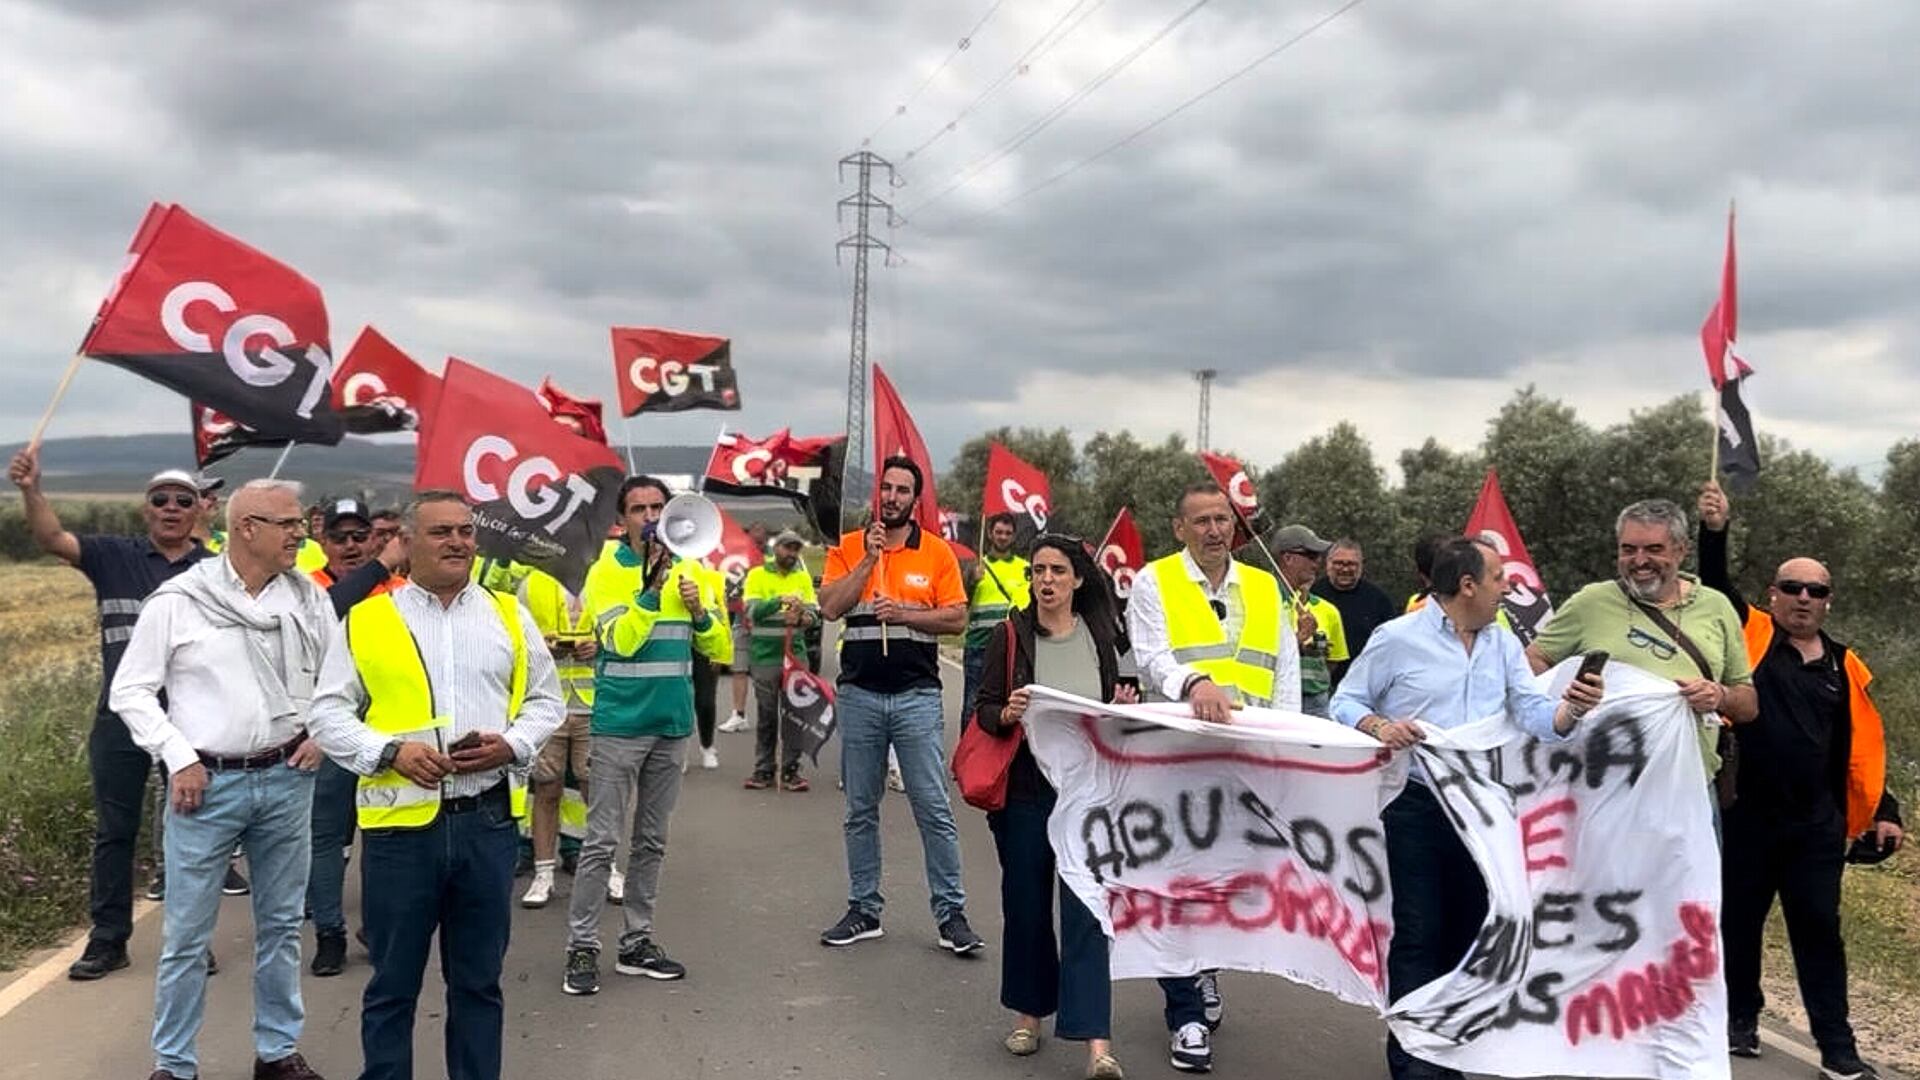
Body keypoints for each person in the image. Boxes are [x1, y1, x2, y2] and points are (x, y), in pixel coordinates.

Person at [304, 490, 565, 1080]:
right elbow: (326, 714)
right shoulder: (369, 617)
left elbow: (547, 701)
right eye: (441, 531)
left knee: (478, 984)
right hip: (401, 832)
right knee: (392, 986)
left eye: (465, 531)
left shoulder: (506, 613)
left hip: (487, 826)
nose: (457, 542)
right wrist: (389, 751)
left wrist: (513, 744)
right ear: (407, 544)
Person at [1331, 537, 1604, 1080]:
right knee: (1418, 932)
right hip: (1416, 805)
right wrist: (1381, 726)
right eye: (1500, 578)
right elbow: (1346, 700)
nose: (1509, 587)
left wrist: (1571, 709)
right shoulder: (1396, 638)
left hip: (1483, 810)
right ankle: (1412, 1063)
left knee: (1470, 933)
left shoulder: (1503, 644)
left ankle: (1445, 1052)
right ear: (1467, 586)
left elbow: (1531, 712)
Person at [109, 478, 338, 1080]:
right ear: (247, 528)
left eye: (300, 523)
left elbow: (339, 679)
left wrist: (321, 732)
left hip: (288, 778)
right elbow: (130, 691)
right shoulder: (179, 601)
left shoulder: (308, 599)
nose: (300, 535)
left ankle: (277, 1052)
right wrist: (177, 756)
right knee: (187, 935)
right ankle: (174, 1065)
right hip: (205, 786)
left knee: (284, 926)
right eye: (288, 525)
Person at [1698, 482, 1903, 1080]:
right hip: (1748, 819)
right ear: (1773, 595)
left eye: (1816, 590)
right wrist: (1715, 531)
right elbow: (1714, 585)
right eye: (1792, 587)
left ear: (1829, 601)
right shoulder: (1752, 636)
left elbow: (1863, 748)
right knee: (1737, 923)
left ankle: (1838, 1051)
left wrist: (1884, 808)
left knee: (1819, 934)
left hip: (1816, 826)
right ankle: (1740, 1019)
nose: (1804, 598)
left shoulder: (1846, 664)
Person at [7, 449, 212, 980]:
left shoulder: (215, 572)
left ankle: (190, 940)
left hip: (190, 722)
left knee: (190, 832)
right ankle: (107, 941)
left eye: (182, 500)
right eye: (159, 499)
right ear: (146, 510)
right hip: (119, 717)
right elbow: (52, 538)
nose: (170, 508)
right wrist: (31, 489)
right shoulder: (110, 555)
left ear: (198, 511)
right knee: (114, 832)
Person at [1127, 482, 1302, 1073]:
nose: (1213, 530)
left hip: (1245, 764)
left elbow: (1285, 674)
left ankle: (1205, 967)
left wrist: (1289, 745)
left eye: (1222, 519)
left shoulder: (1262, 586)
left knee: (1225, 882)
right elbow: (1151, 654)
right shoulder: (1155, 581)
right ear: (1179, 528)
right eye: (1200, 521)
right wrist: (1192, 684)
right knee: (1175, 885)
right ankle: (1187, 1018)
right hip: (1174, 762)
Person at [562, 476, 731, 995]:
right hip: (618, 725)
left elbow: (720, 648)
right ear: (623, 519)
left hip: (671, 724)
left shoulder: (696, 569)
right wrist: (652, 594)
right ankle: (582, 947)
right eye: (640, 509)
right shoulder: (606, 573)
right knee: (601, 841)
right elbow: (621, 641)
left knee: (652, 841)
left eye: (659, 506)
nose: (651, 517)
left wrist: (700, 612)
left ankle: (637, 941)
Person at [973, 535, 1133, 1080]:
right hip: (1026, 793)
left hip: (1088, 795)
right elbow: (984, 709)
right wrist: (1008, 713)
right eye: (1038, 571)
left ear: (1078, 579)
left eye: (1057, 571)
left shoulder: (1101, 638)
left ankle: (1097, 1045)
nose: (1046, 580)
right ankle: (1029, 1015)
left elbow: (1114, 707)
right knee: (1026, 908)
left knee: (1088, 914)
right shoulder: (1010, 636)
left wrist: (1122, 709)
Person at [815, 456, 983, 955]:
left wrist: (907, 612)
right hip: (860, 695)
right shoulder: (848, 548)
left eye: (901, 490)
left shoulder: (935, 554)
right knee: (860, 809)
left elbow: (956, 618)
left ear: (915, 499)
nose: (891, 497)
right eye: (885, 488)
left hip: (916, 697)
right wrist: (868, 562)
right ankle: (864, 909)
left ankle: (950, 913)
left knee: (932, 807)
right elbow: (828, 607)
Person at [1526, 498, 1758, 791]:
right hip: (1604, 788)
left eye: (1653, 549)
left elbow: (1748, 705)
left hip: (1689, 789)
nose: (1639, 560)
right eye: (1628, 549)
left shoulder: (1717, 606)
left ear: (1682, 550)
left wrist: (1719, 695)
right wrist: (1567, 701)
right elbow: (1533, 662)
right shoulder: (1591, 601)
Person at [304, 497, 407, 978]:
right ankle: (329, 932)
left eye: (358, 536)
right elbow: (322, 623)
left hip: (388, 732)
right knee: (327, 837)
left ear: (373, 538)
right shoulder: (307, 592)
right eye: (339, 536)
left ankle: (378, 928)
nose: (349, 545)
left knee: (383, 838)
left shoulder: (403, 591)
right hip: (329, 735)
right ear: (322, 541)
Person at [517, 561, 600, 910]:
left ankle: (607, 867)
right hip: (548, 705)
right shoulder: (532, 583)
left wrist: (599, 646)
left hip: (594, 702)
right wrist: (543, 649)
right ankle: (544, 873)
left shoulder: (604, 578)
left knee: (595, 789)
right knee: (546, 788)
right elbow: (516, 639)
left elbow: (626, 633)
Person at [741, 529, 821, 790]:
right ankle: (763, 769)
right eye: (787, 548)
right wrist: (778, 602)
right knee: (767, 716)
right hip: (765, 656)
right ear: (776, 549)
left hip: (795, 657)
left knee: (794, 715)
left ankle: (790, 770)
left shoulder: (802, 578)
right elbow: (752, 612)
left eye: (795, 549)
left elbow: (814, 616)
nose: (791, 553)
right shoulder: (757, 575)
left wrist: (800, 617)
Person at [1268, 523, 1349, 717]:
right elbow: (1263, 655)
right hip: (1274, 698)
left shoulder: (1323, 607)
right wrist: (1299, 637)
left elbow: (1332, 663)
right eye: (1311, 556)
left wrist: (1307, 651)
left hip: (1316, 700)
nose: (1317, 563)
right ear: (1287, 558)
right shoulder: (1263, 597)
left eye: (1319, 557)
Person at [963, 512, 1030, 723]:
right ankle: (969, 752)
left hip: (1011, 647)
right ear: (990, 534)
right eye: (999, 532)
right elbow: (960, 603)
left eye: (1008, 533)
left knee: (1009, 704)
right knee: (972, 704)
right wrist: (972, 581)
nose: (1003, 537)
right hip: (979, 645)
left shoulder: (1025, 568)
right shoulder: (975, 567)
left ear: (1013, 536)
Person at [719, 520, 772, 735]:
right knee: (739, 669)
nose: (758, 533)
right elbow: (729, 584)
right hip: (741, 619)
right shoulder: (738, 556)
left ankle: (769, 716)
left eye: (762, 529)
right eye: (754, 530)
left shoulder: (774, 558)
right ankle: (738, 715)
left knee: (765, 674)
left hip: (767, 623)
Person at [1318, 538, 1396, 668]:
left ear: (1361, 565)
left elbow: (1391, 642)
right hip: (1321, 680)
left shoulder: (1378, 600)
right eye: (1339, 563)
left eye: (1351, 564)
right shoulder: (1313, 595)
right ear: (1328, 564)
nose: (1345, 569)